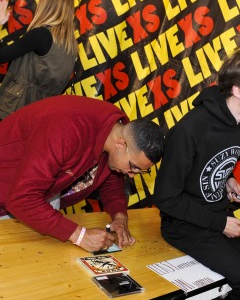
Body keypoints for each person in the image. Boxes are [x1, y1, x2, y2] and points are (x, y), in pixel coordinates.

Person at [154, 49, 240, 300]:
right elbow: (166, 199)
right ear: (239, 90)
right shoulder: (189, 130)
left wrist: (226, 178)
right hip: (184, 225)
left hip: (216, 215)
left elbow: (212, 159)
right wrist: (221, 224)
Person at [0, 95, 164, 253]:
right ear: (121, 144)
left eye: (140, 171)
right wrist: (80, 236)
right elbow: (22, 199)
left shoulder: (115, 131)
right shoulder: (66, 130)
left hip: (27, 193)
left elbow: (111, 179)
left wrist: (119, 216)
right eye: (133, 167)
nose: (132, 175)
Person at [0, 0, 78, 120]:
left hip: (14, 109)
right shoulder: (71, 46)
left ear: (45, 4)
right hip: (41, 115)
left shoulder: (40, 35)